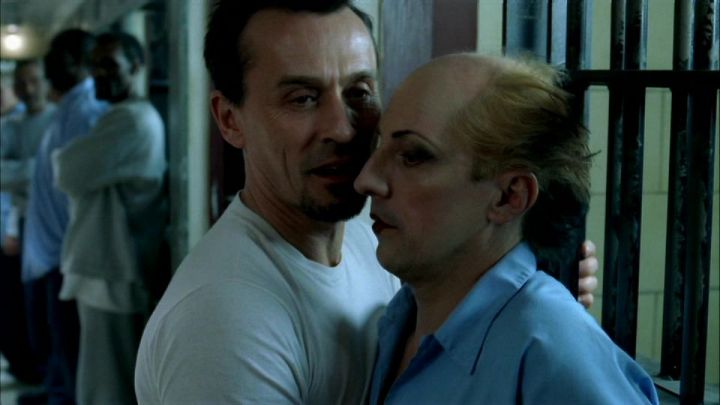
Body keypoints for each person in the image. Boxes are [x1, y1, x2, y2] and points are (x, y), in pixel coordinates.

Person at [135, 2, 598, 403]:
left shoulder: (375, 234)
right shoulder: (222, 321)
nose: (342, 128)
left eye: (358, 93)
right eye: (302, 98)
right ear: (229, 119)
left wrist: (519, 296)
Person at [355, 53, 658, 404]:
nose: (366, 179)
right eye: (379, 144)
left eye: (413, 155)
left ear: (509, 196)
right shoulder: (395, 322)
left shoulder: (552, 353)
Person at [52, 31, 167, 405]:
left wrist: (65, 159)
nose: (99, 73)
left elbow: (67, 172)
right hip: (108, 269)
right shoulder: (120, 117)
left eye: (109, 65)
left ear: (136, 67)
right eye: (94, 65)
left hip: (114, 271)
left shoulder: (132, 121)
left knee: (107, 387)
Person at [22, 29, 109, 404]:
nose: (53, 65)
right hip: (51, 251)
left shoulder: (88, 112)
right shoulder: (66, 111)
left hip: (65, 252)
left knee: (71, 345)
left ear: (84, 64)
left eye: (65, 58)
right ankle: (56, 392)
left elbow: (77, 185)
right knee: (55, 340)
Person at [0, 58, 56, 401]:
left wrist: (25, 172)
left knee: (50, 309)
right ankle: (38, 375)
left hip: (53, 226)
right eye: (22, 82)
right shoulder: (12, 126)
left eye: (35, 80)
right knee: (24, 306)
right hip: (21, 222)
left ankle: (52, 381)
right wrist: (34, 170)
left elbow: (52, 174)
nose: (29, 88)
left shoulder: (57, 120)